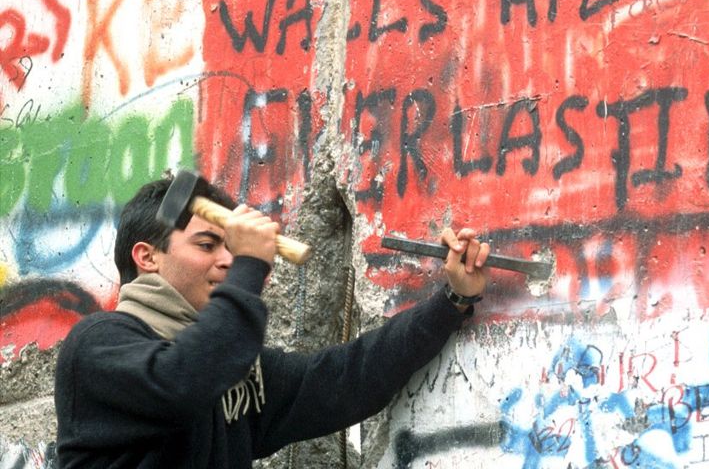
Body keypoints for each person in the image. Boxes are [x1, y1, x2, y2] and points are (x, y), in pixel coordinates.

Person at [54, 176, 490, 468]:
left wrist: (452, 299)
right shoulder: (96, 347)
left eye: (232, 249)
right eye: (207, 245)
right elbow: (182, 382)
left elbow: (346, 379)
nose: (226, 261)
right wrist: (248, 266)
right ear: (147, 257)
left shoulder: (240, 375)